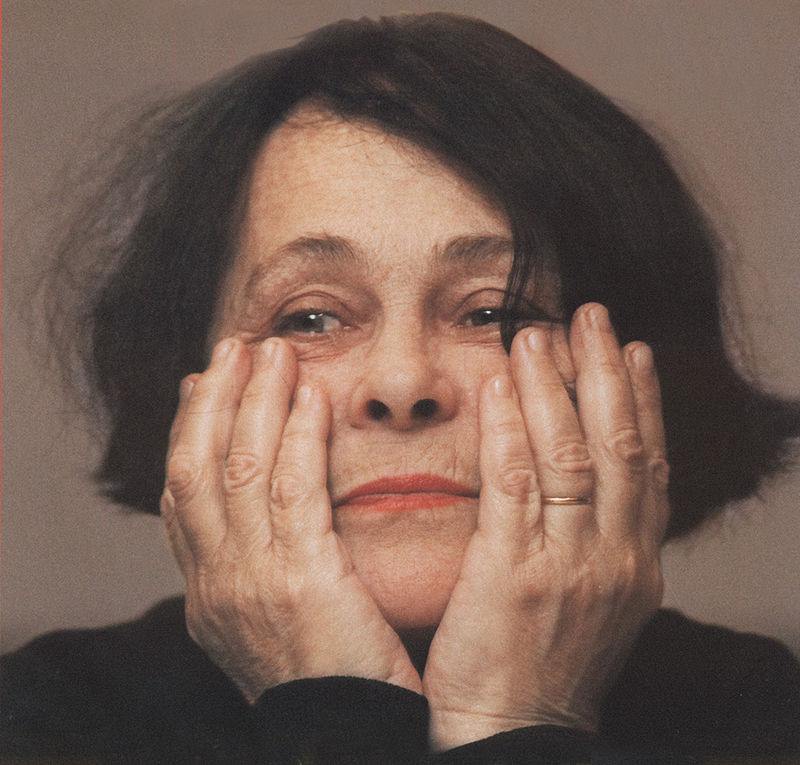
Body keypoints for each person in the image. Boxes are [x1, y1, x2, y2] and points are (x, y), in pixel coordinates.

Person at [2, 12, 799, 763]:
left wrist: (521, 716)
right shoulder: (44, 718)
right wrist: (332, 709)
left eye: (492, 311)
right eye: (311, 317)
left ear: (630, 385)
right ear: (194, 387)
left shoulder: (766, 716)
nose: (402, 381)